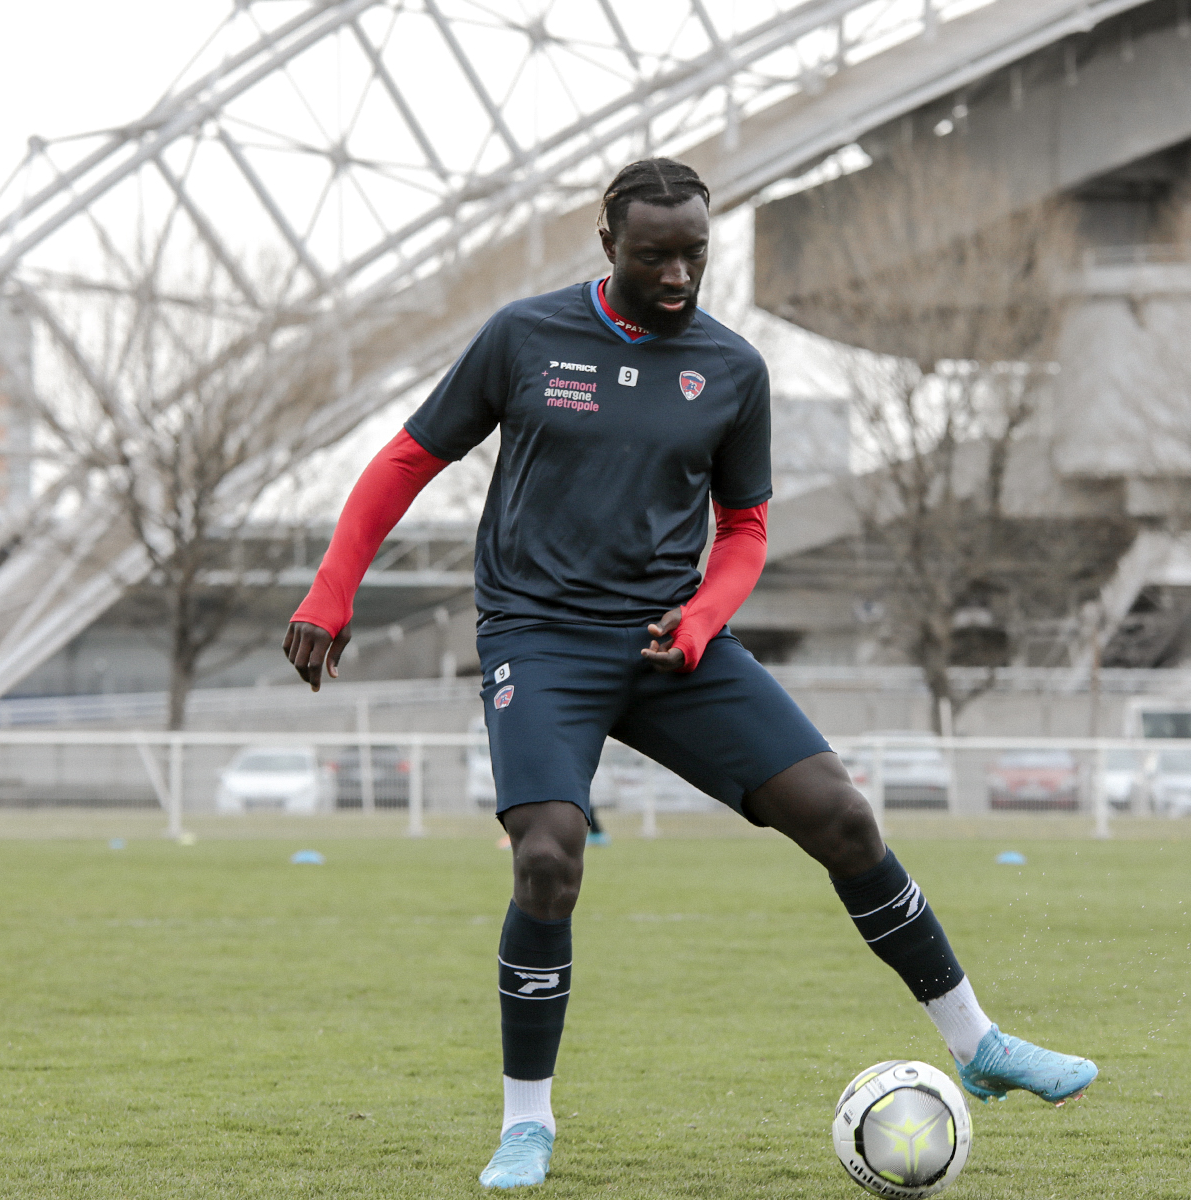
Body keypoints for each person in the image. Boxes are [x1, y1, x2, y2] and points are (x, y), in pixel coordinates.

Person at [283, 159, 1097, 1190]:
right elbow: (405, 460)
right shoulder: (523, 338)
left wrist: (705, 615)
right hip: (540, 639)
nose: (677, 275)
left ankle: (979, 1044)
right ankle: (525, 1124)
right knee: (548, 853)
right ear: (606, 243)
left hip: (675, 645)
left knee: (842, 815)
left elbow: (746, 529)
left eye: (695, 254)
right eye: (653, 254)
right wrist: (329, 594)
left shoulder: (731, 368)